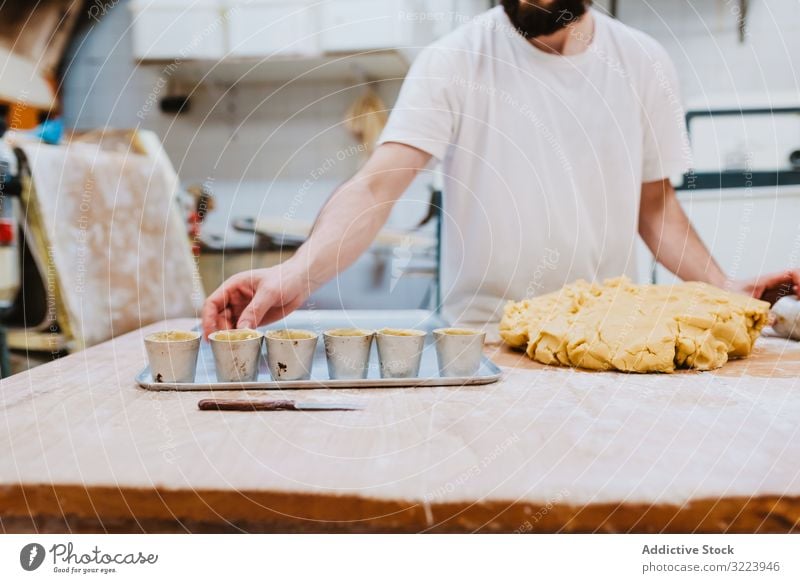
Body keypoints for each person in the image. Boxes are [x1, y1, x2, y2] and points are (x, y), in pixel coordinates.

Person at [202, 0, 800, 337]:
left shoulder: (642, 62)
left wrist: (722, 290)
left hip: (611, 338)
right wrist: (300, 272)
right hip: (485, 342)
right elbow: (378, 185)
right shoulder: (454, 61)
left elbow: (654, 206)